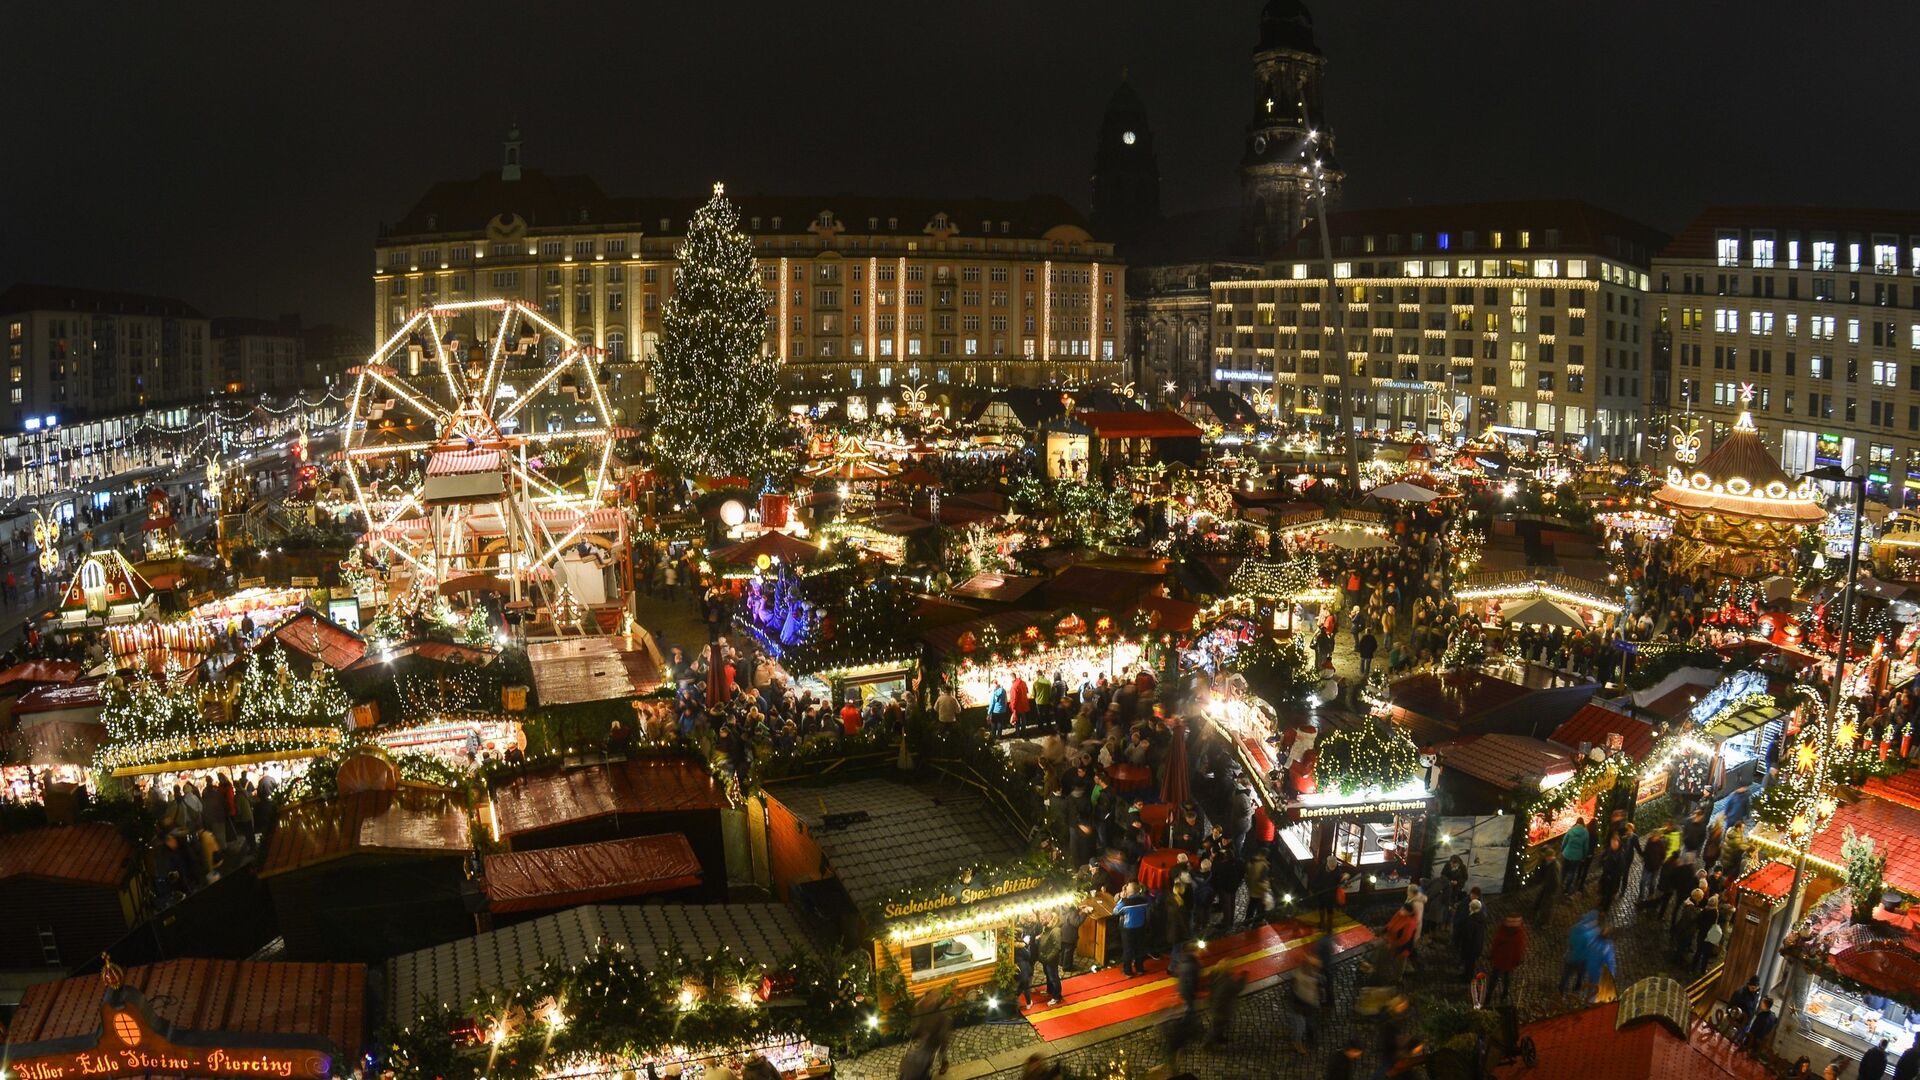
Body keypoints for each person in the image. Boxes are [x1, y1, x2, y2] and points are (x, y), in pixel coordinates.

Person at [1487, 913, 1526, 1003]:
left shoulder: (1502, 930)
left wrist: (1492, 954)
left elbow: (1496, 943)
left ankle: (1489, 996)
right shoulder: (1519, 934)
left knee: (1494, 978)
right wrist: (1517, 960)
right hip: (1509, 961)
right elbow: (1519, 949)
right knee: (1507, 978)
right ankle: (1504, 993)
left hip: (1499, 959)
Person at [1116, 883, 1152, 977]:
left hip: (1128, 929)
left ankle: (1128, 971)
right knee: (1139, 948)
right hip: (1140, 927)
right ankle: (1140, 968)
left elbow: (1115, 911)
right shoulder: (1144, 900)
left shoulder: (1126, 903)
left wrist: (1122, 899)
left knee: (1128, 950)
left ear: (1128, 891)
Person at [1559, 911, 1598, 995]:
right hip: (1582, 960)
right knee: (1580, 976)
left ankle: (1561, 991)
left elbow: (1570, 942)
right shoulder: (1592, 934)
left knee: (1566, 976)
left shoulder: (1574, 928)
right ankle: (1576, 990)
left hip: (1570, 957)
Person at [1456, 897, 1488, 984]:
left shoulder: (1471, 920)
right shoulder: (1481, 918)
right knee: (1471, 963)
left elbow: (1468, 935)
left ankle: (1467, 977)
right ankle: (1467, 975)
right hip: (1476, 945)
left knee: (1469, 963)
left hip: (1470, 946)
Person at [1561, 817, 1592, 893]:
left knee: (1564, 871)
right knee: (1572, 872)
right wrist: (1584, 856)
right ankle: (1566, 889)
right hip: (1577, 857)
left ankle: (1560, 884)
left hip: (1567, 853)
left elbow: (1564, 841)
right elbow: (1586, 847)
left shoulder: (1571, 830)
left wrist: (1562, 850)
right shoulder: (1586, 833)